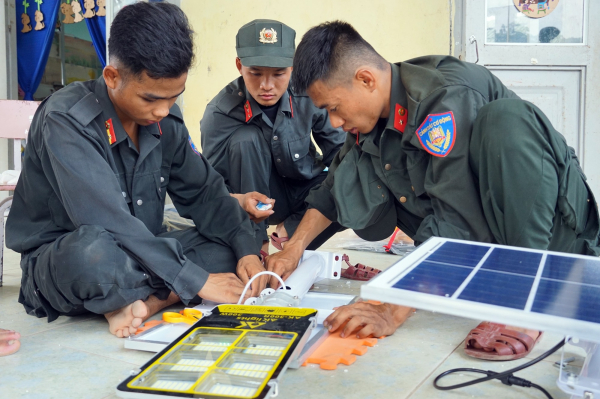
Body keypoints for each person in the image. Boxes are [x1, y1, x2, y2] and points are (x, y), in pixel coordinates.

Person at [267, 21, 600, 356]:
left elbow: (456, 217)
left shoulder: (443, 98)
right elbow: (333, 188)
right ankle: (481, 278)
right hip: (487, 250)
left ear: (366, 79)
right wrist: (293, 248)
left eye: (334, 109)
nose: (334, 123)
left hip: (556, 250)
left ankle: (525, 296)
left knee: (506, 120)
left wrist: (393, 306)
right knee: (363, 159)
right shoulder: (374, 114)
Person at [5, 2, 269, 338]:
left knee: (239, 236)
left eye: (174, 97)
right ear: (112, 77)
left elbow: (207, 194)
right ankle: (163, 291)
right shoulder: (66, 119)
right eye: (150, 99)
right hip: (69, 257)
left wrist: (246, 252)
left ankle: (142, 301)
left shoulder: (165, 121)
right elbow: (106, 221)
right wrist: (197, 279)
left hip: (142, 249)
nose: (162, 110)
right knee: (94, 255)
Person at [201, 19, 346, 259]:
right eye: (255, 73)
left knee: (349, 185)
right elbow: (214, 187)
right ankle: (256, 247)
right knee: (246, 139)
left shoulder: (309, 94)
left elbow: (342, 156)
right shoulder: (219, 113)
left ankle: (292, 246)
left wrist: (297, 223)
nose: (266, 86)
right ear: (239, 65)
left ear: (293, 67)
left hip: (304, 193)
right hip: (251, 202)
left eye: (279, 74)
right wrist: (242, 241)